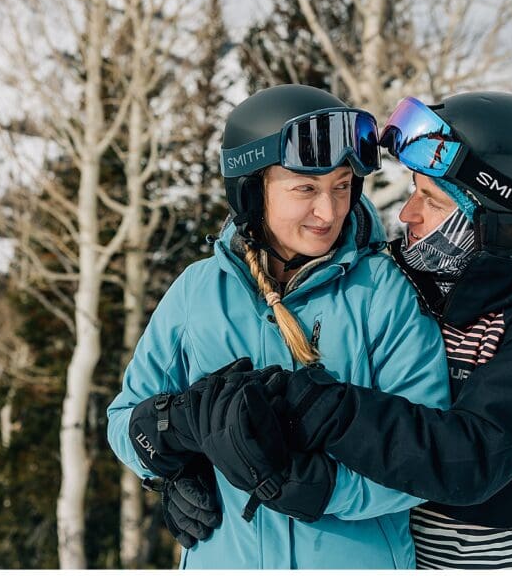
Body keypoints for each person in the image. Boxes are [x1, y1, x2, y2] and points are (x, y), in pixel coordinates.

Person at [182, 91, 512, 569]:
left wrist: (324, 408)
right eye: (413, 191)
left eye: (433, 201)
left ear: (503, 227)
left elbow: (472, 459)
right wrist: (189, 462)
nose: (407, 214)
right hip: (391, 551)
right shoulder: (424, 270)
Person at [106, 84, 450, 569]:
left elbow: (429, 454)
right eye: (305, 189)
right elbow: (124, 421)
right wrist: (173, 446)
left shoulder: (383, 293)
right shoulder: (197, 293)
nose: (328, 211)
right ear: (252, 191)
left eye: (341, 186)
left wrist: (324, 487)